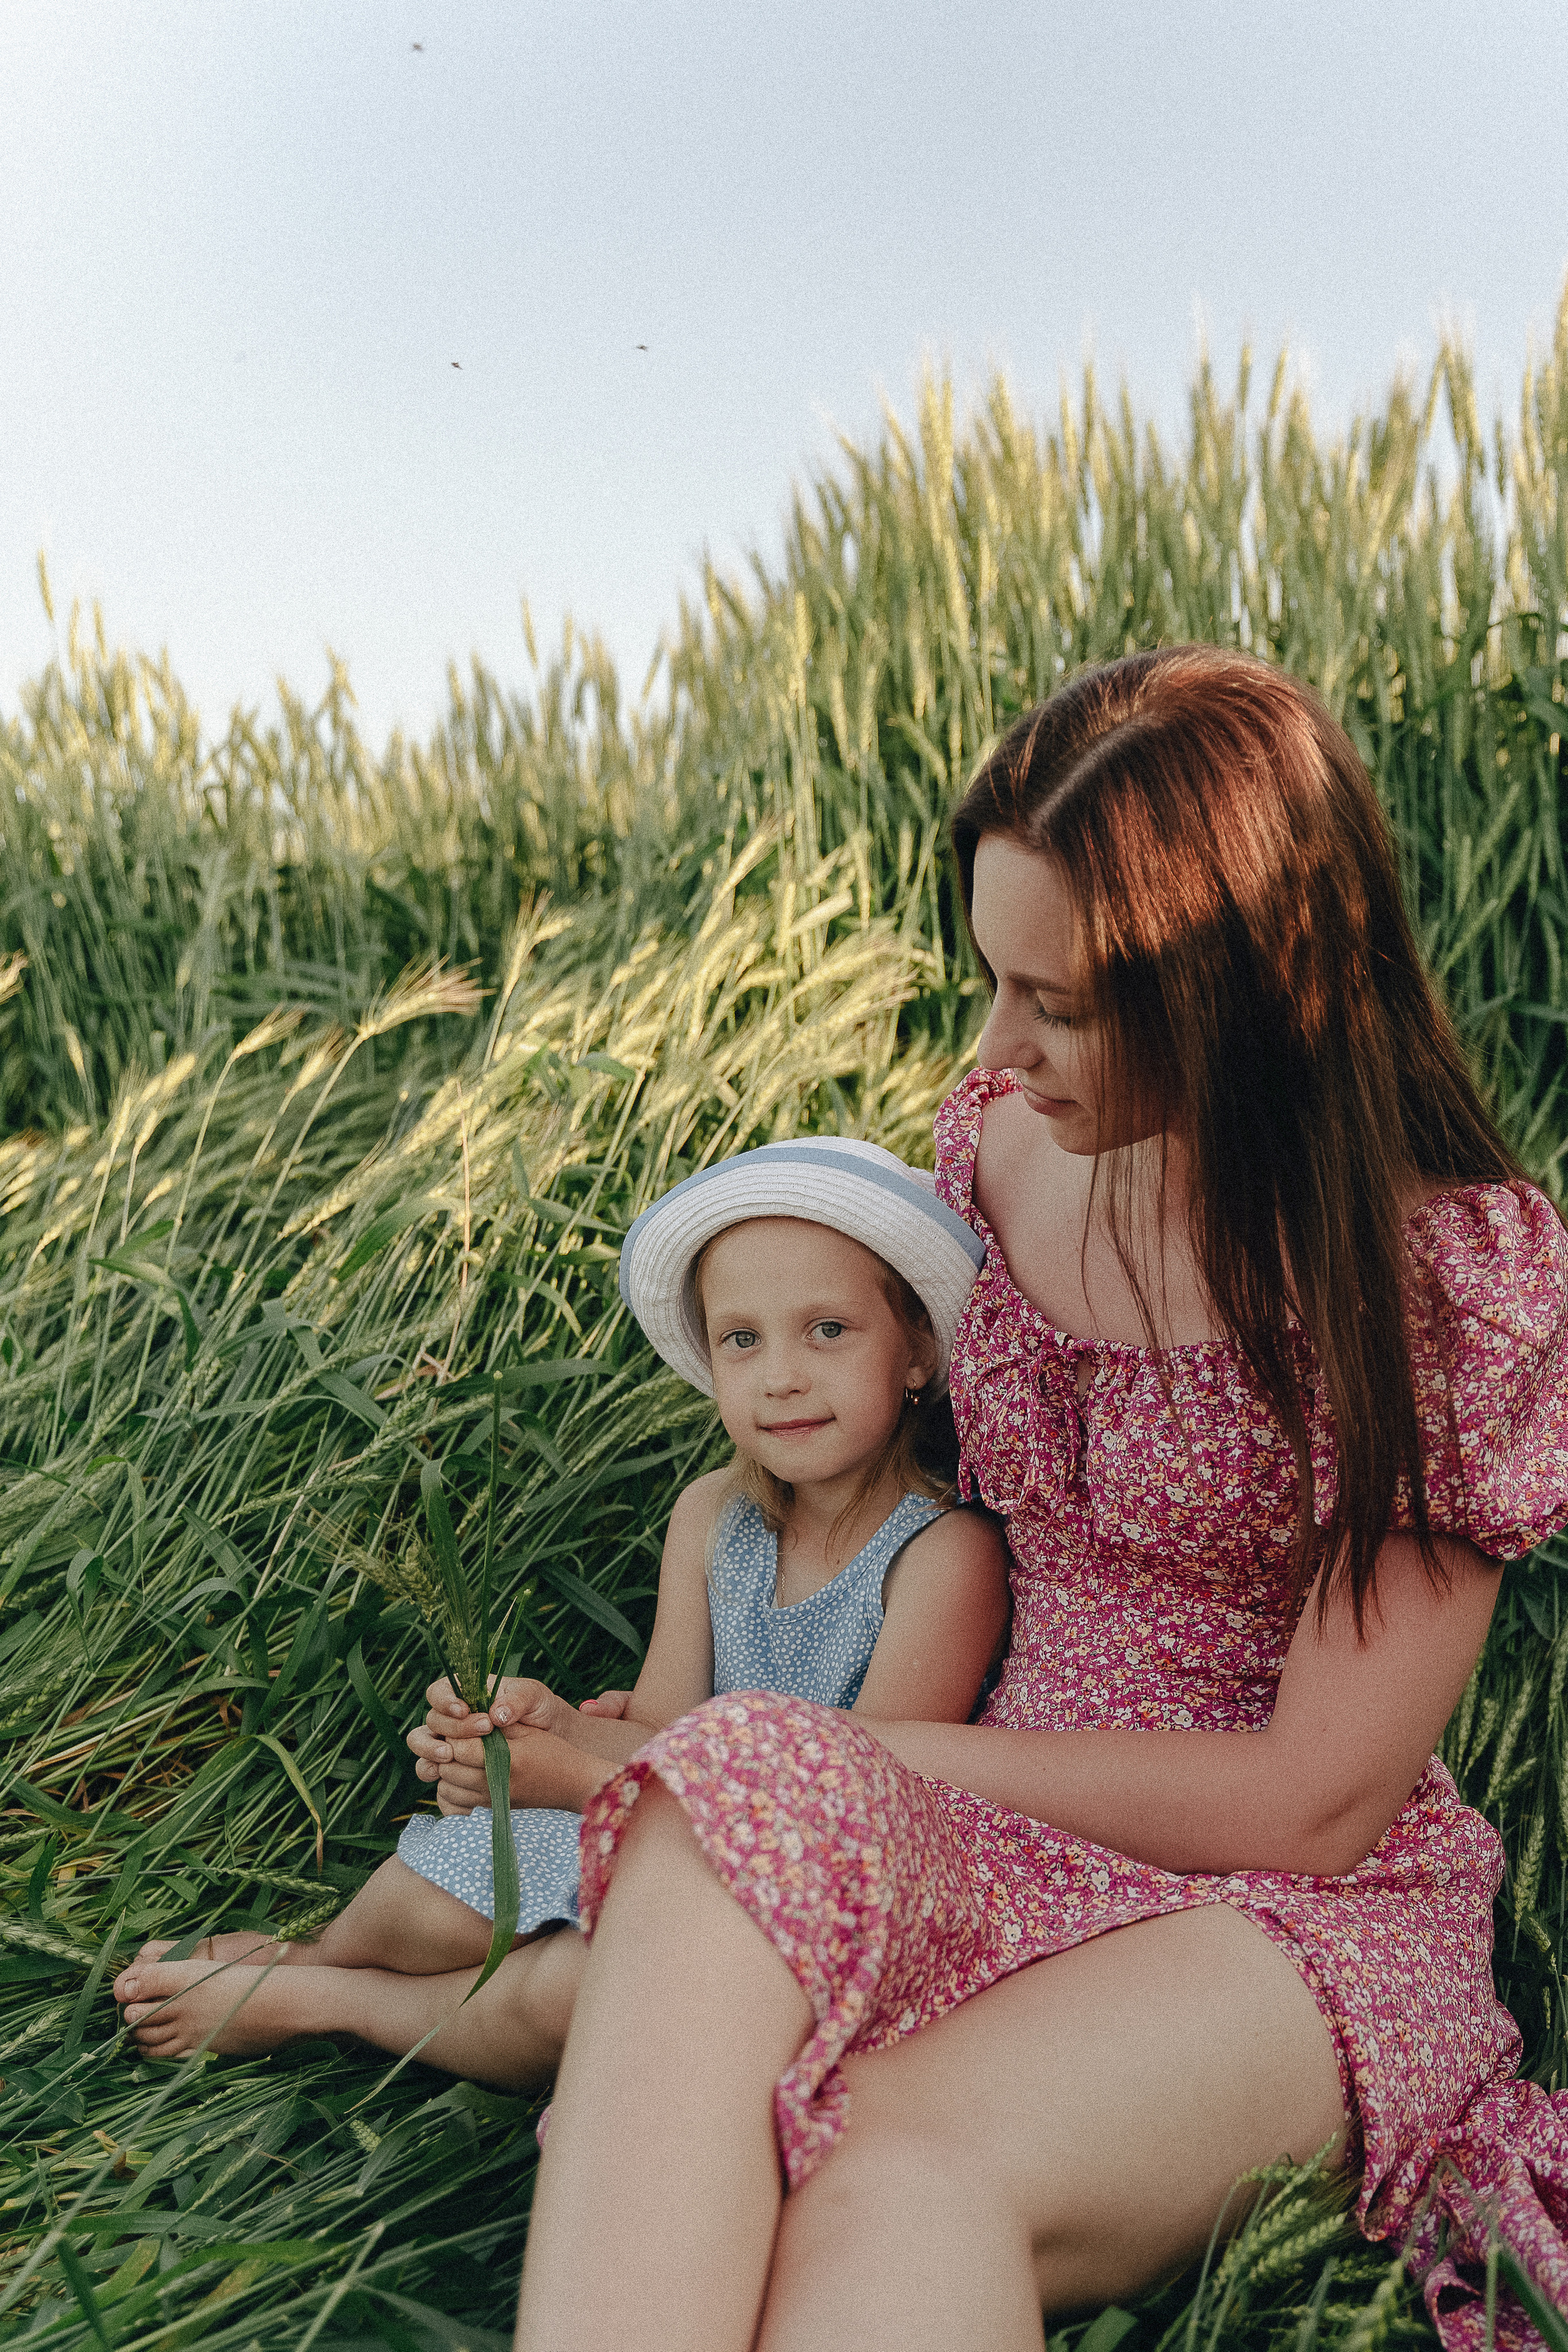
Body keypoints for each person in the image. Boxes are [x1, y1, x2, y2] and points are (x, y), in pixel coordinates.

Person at [510, 647, 1568, 2352]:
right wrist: (740, 1711)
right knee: (715, 1820)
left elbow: (1312, 1803)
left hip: (1279, 1905)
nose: (997, 1046)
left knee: (888, 2166)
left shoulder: (1438, 1276)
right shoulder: (993, 1154)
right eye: (993, 979)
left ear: (1239, 988)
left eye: (1055, 1002)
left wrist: (857, 1755)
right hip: (983, 1816)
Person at [112, 1140, 1012, 2086]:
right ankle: (319, 1953)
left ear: (917, 1350)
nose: (780, 1375)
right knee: (466, 1871)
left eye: (827, 1330)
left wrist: (580, 1778)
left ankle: (322, 2002)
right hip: (667, 1822)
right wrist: (544, 1732)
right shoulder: (716, 1516)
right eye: (742, 1339)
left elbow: (857, 1811)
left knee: (581, 1989)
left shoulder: (941, 1556)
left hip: (800, 1894)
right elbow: (663, 1728)